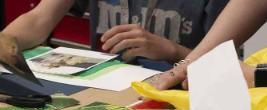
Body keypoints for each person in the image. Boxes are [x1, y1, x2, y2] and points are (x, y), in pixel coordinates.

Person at [2, 0, 229, 65]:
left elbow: (229, 67)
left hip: (177, 97)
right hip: (102, 90)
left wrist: (172, 51)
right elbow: (38, 19)